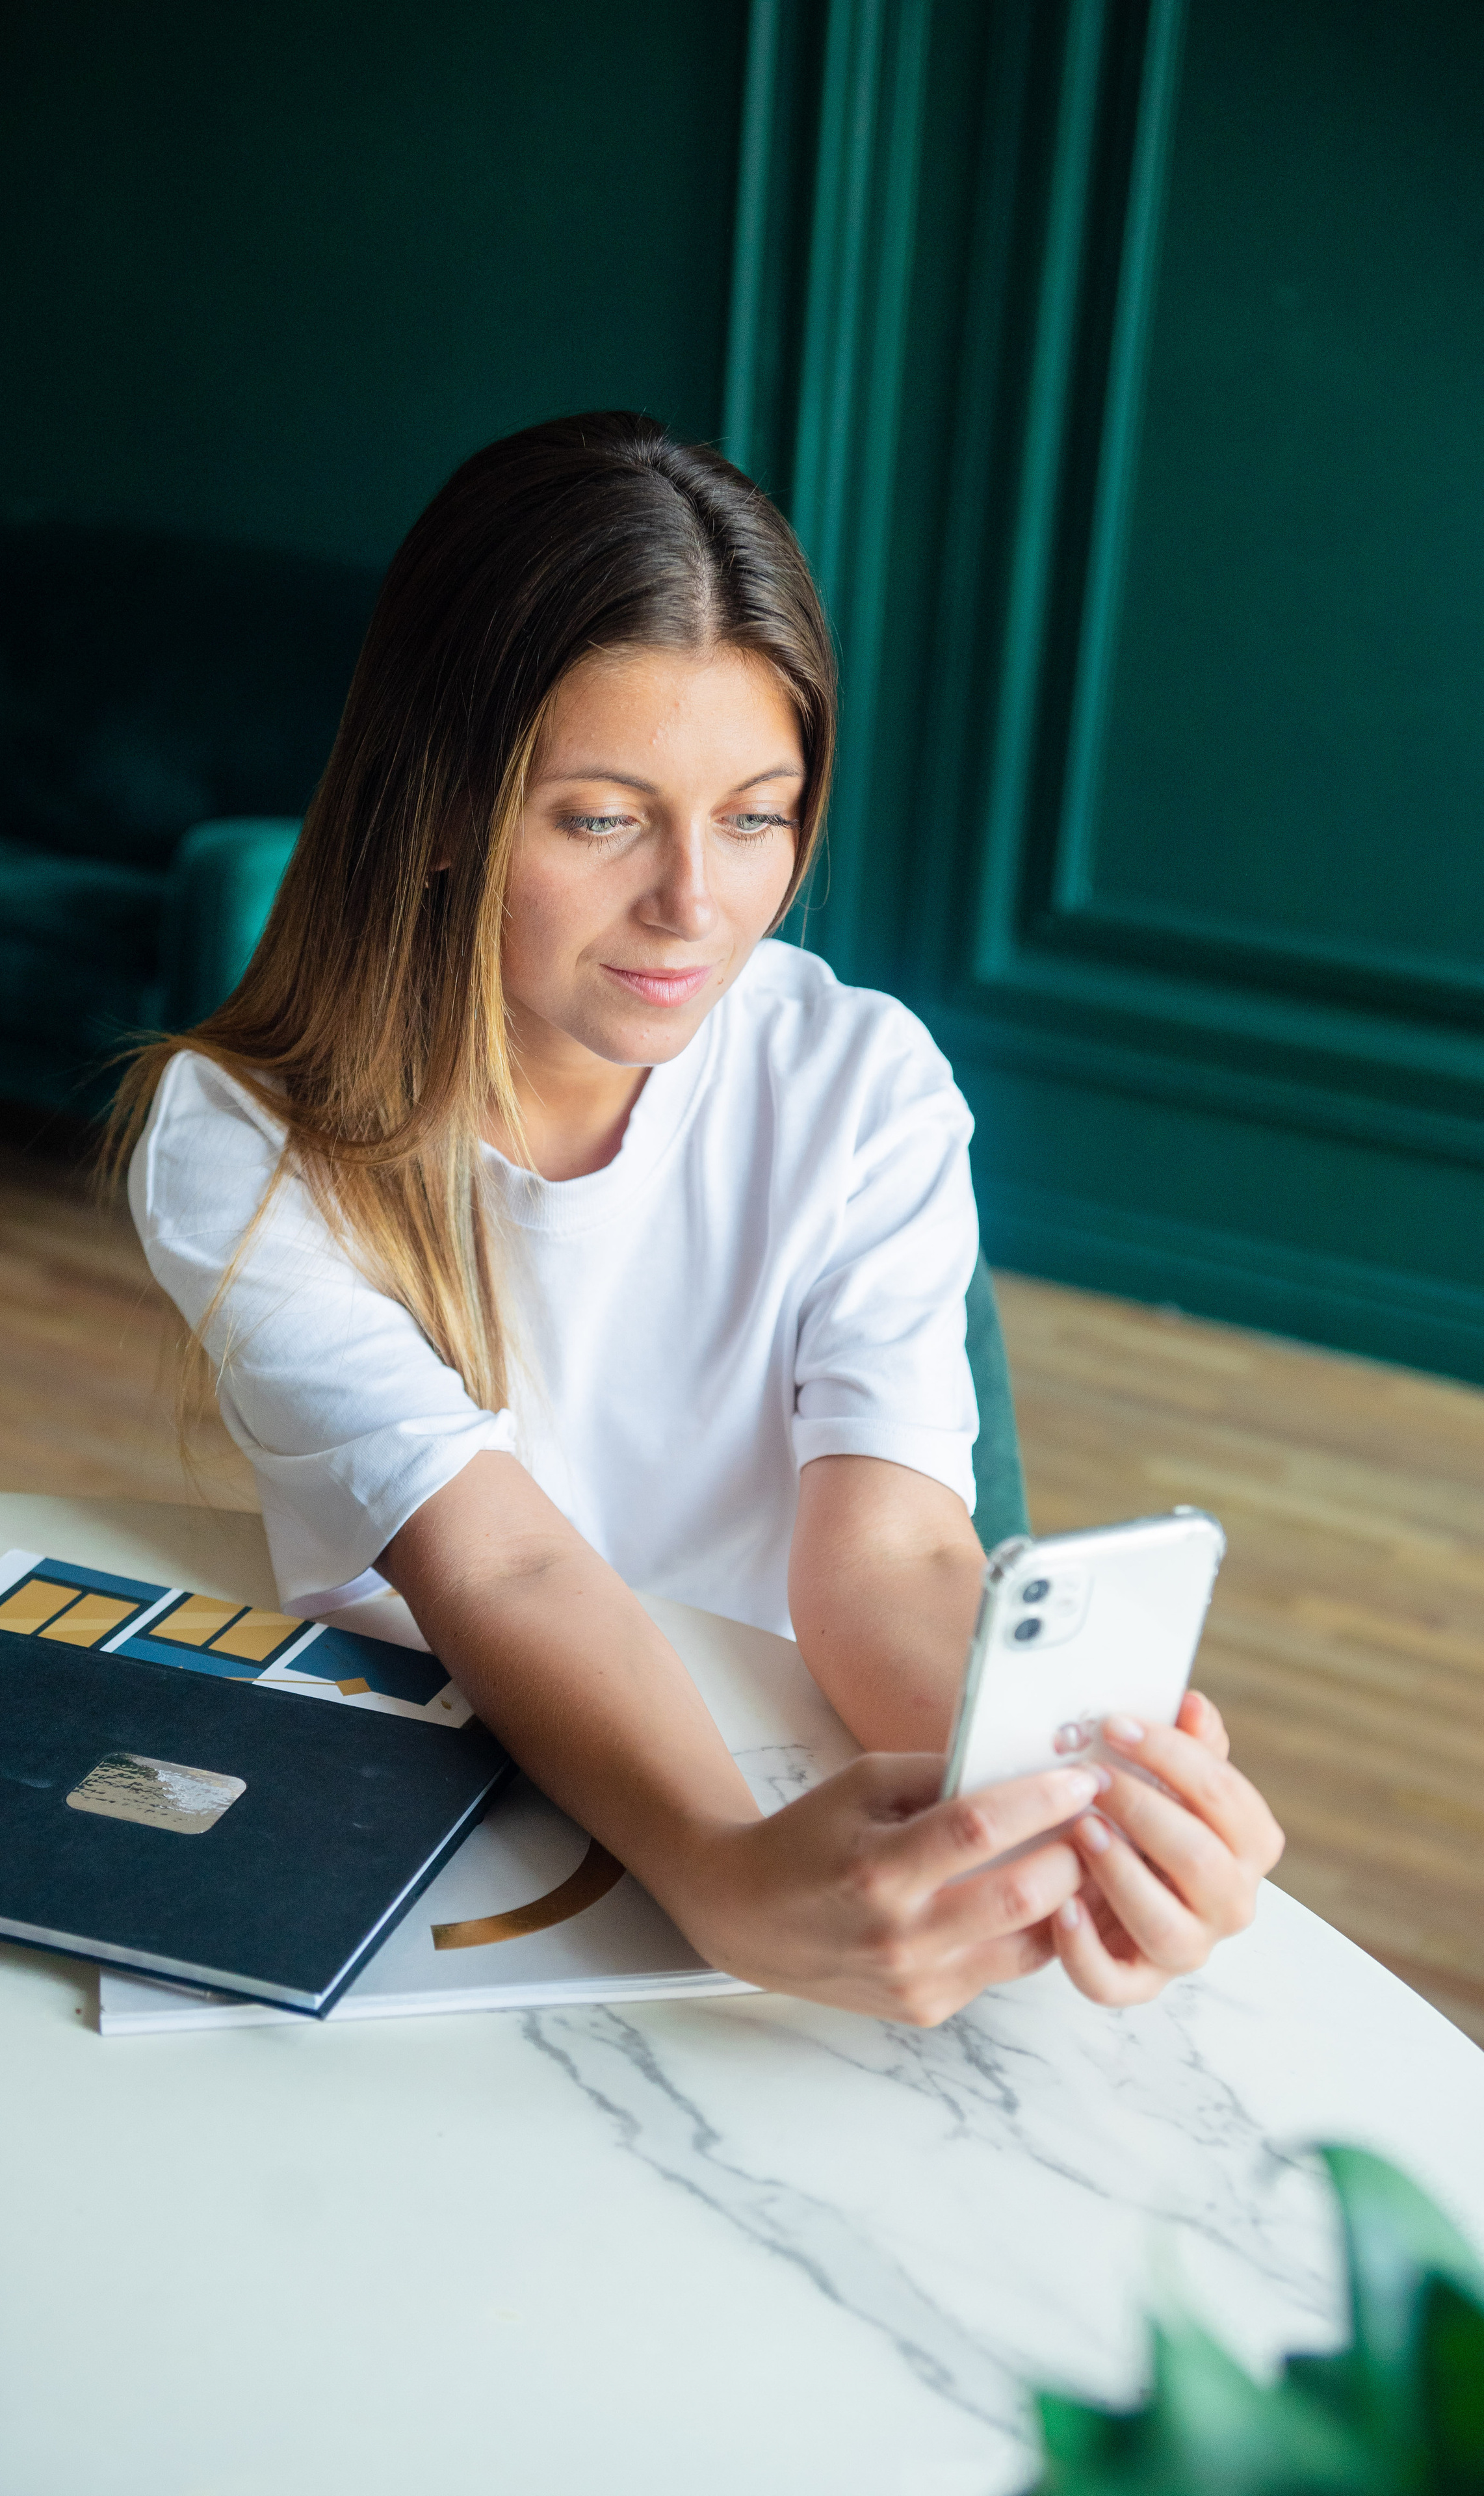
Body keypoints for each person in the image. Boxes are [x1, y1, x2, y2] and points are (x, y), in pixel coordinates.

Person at [113, 411, 1283, 2025]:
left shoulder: (858, 1084)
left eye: (754, 815)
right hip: (421, 1795)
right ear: (442, 805)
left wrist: (1051, 1803)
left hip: (763, 1786)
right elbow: (505, 1564)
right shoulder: (235, 1139)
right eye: (600, 819)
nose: (695, 904)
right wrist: (718, 1868)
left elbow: (881, 1551)